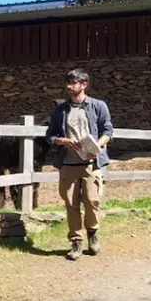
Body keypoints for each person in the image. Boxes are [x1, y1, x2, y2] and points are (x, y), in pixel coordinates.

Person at [45, 69, 113, 261]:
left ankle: (93, 234)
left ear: (84, 84)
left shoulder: (98, 106)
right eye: (68, 82)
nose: (69, 86)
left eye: (73, 83)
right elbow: (50, 136)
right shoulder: (60, 110)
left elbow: (108, 130)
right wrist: (62, 141)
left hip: (91, 163)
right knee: (71, 204)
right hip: (68, 164)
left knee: (92, 202)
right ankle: (76, 242)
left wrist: (97, 146)